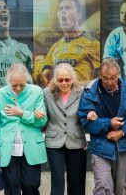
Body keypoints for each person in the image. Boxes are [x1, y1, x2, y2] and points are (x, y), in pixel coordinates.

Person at [78, 58, 126, 195]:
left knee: (121, 188)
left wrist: (122, 132)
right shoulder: (90, 91)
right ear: (100, 76)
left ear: (118, 75)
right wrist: (108, 123)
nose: (109, 82)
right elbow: (85, 121)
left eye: (112, 78)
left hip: (124, 145)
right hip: (101, 146)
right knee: (103, 186)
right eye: (105, 78)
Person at [0, 63, 47, 195]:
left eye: (22, 84)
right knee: (11, 185)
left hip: (31, 145)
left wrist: (22, 113)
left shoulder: (36, 91)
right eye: (15, 85)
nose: (19, 88)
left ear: (27, 79)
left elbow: (42, 121)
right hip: (7, 147)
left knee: (30, 184)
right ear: (8, 80)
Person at [0, 0, 33, 125]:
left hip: (19, 117)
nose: (4, 10)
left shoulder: (23, 49)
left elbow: (32, 85)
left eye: (6, 8)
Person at [43, 63, 87, 195]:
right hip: (54, 142)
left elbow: (86, 113)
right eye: (60, 79)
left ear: (72, 79)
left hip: (76, 141)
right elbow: (43, 118)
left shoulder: (82, 92)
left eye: (67, 79)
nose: (64, 83)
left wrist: (91, 114)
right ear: (55, 80)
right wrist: (38, 115)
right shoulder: (46, 93)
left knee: (76, 181)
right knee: (58, 180)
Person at [40, 0, 100, 87]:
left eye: (68, 8)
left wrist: (78, 85)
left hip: (81, 97)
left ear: (78, 14)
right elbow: (45, 76)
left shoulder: (93, 44)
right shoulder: (55, 47)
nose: (63, 11)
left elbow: (102, 79)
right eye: (60, 9)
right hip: (59, 98)